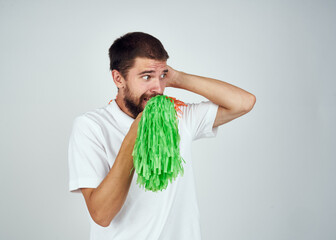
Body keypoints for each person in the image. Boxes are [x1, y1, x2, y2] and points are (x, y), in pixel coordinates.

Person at [68, 32, 256, 240]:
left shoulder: (177, 116)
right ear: (118, 78)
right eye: (146, 77)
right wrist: (134, 135)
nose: (158, 88)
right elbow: (101, 215)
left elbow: (243, 102)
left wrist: (177, 77)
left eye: (162, 76)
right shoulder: (91, 126)